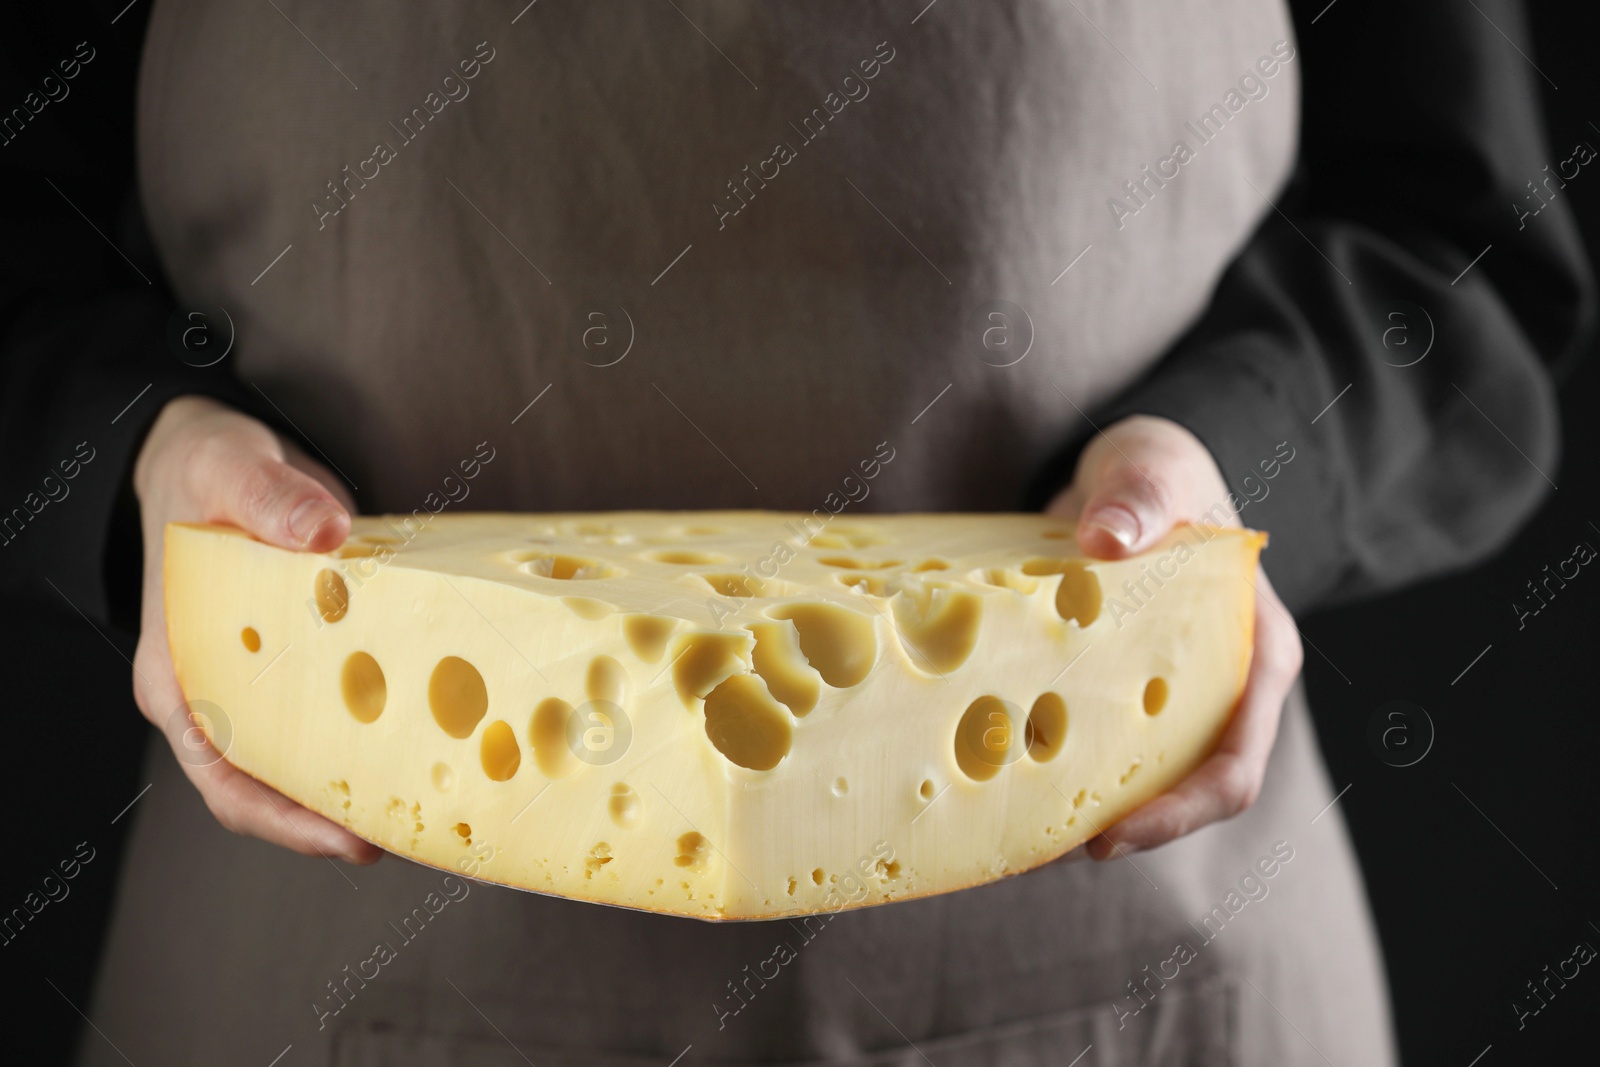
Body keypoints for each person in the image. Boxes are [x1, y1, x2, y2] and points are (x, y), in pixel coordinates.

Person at [2, 1, 1588, 1063]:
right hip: (330, 961)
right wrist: (132, 462)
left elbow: (1459, 254)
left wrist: (1244, 463)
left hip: (1130, 960)